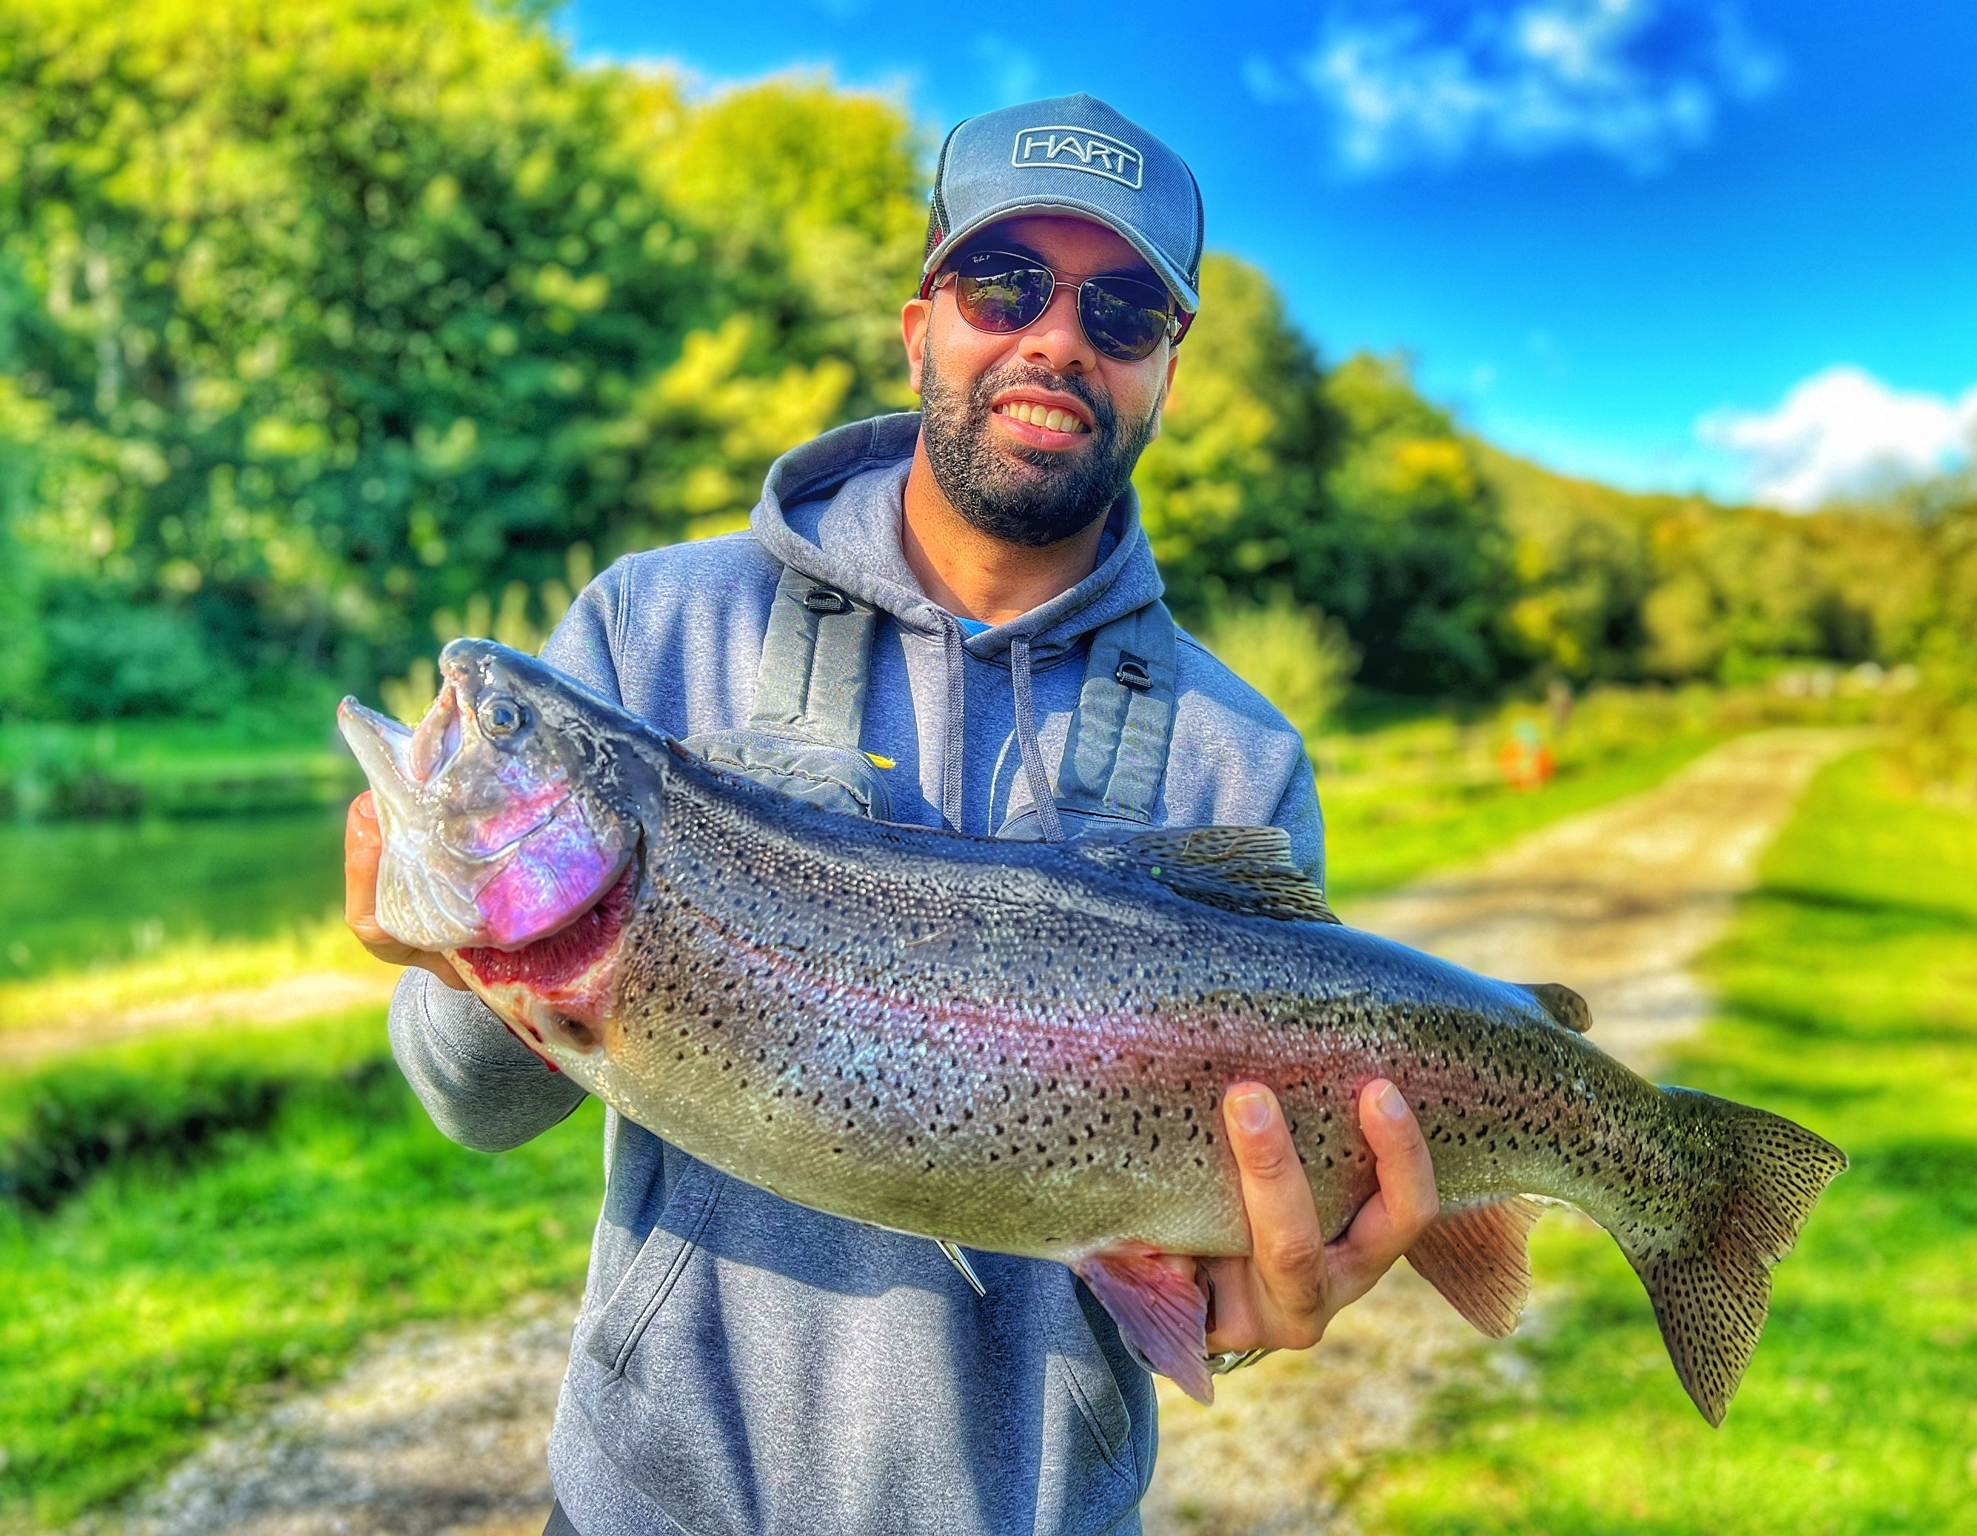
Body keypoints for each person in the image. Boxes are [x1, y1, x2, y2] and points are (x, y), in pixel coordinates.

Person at [344, 94, 1438, 1536]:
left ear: (1165, 372)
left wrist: (1246, 1307)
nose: (1058, 337)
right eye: (1006, 284)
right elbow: (473, 1109)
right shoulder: (649, 629)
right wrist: (457, 954)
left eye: (1120, 310)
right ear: (922, 322)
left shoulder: (1239, 759)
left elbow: (1225, 1285)